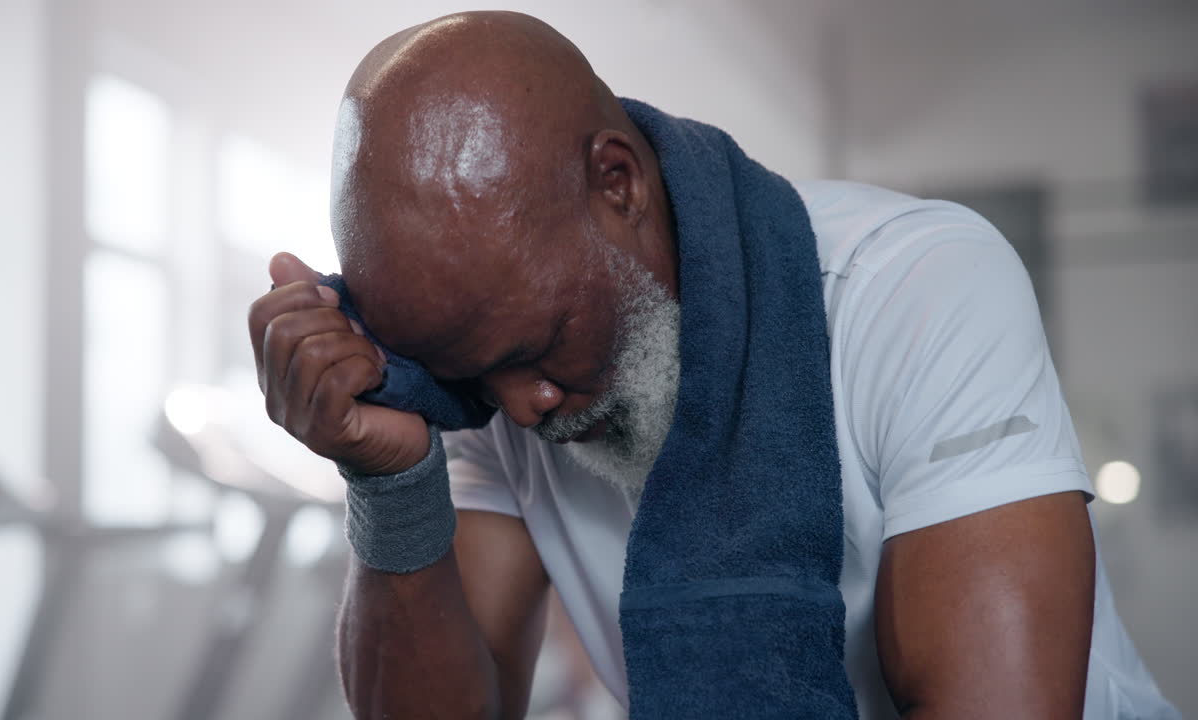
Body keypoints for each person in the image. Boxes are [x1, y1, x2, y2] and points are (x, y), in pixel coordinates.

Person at [247, 10, 1178, 720]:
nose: (522, 408)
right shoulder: (494, 369)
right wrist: (389, 483)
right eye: (471, 372)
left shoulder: (915, 288)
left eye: (536, 349)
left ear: (618, 183)